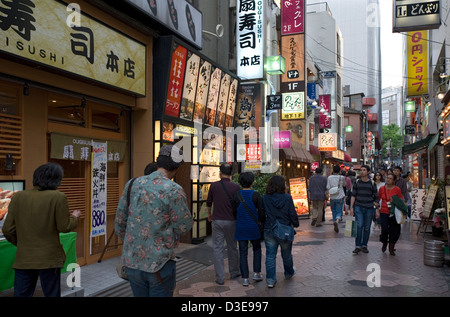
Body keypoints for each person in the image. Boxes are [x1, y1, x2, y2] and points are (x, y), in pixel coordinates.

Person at [115, 145, 193, 297]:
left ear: (158, 162)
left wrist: (133, 243)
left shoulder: (132, 184)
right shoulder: (173, 189)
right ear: (176, 167)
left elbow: (119, 223)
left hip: (132, 262)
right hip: (160, 263)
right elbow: (184, 226)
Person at [2, 163, 81, 297]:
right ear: (56, 180)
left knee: (22, 294)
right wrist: (74, 217)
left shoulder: (18, 197)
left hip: (24, 258)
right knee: (51, 294)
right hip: (49, 259)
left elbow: (7, 229)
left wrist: (21, 243)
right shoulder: (58, 197)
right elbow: (64, 227)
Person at [207, 163, 241, 285]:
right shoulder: (236, 187)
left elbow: (209, 203)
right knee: (232, 247)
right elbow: (238, 205)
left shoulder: (214, 186)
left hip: (217, 220)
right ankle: (234, 272)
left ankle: (220, 278)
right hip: (232, 221)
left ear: (220, 173)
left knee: (217, 248)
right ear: (231, 173)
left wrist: (209, 215)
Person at [263, 175, 299, 288]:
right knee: (286, 253)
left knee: (270, 255)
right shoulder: (287, 197)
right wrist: (296, 223)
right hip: (285, 229)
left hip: (269, 227)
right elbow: (292, 213)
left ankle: (270, 279)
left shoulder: (265, 197)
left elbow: (262, 212)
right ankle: (288, 272)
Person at [232, 172, 265, 286]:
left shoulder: (236, 195)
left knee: (243, 253)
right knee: (257, 249)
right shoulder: (256, 195)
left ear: (240, 182)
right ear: (252, 182)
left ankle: (245, 278)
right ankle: (257, 273)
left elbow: (234, 212)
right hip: (253, 227)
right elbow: (261, 212)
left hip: (241, 227)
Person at [350, 165, 379, 254]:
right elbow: (353, 195)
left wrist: (377, 208)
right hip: (358, 206)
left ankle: (364, 245)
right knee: (359, 225)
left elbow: (376, 197)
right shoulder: (357, 182)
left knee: (366, 228)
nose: (362, 172)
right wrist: (351, 207)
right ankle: (358, 246)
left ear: (368, 172)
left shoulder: (372, 183)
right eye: (361, 170)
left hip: (369, 208)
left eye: (364, 170)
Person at [376, 174, 403, 255]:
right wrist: (377, 210)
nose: (388, 180)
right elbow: (378, 200)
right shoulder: (381, 189)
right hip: (384, 212)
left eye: (390, 179)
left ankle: (391, 246)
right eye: (387, 178)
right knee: (384, 229)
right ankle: (384, 242)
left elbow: (400, 200)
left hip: (394, 213)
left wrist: (395, 201)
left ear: (394, 181)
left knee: (394, 230)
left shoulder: (397, 189)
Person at [327, 165, 346, 232]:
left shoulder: (329, 177)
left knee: (333, 210)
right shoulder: (342, 177)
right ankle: (337, 221)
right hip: (340, 195)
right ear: (339, 171)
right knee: (339, 209)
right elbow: (344, 185)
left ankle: (334, 220)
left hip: (332, 196)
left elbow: (328, 187)